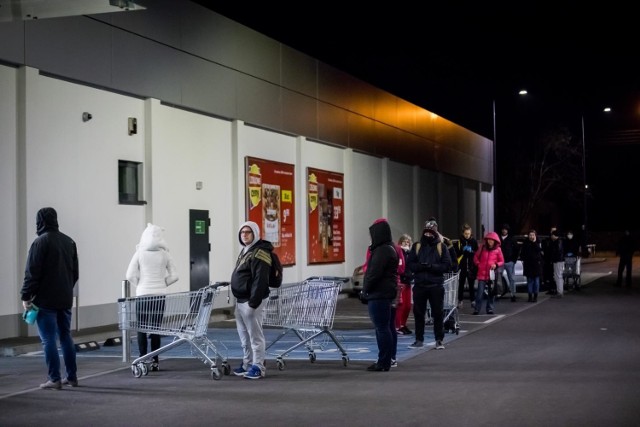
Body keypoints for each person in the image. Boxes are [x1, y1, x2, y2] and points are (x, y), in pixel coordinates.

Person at [21, 207, 79, 389]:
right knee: (65, 336)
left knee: (48, 340)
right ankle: (72, 377)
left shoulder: (40, 242)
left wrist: (26, 296)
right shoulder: (69, 241)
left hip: (45, 300)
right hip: (65, 298)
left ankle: (54, 379)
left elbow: (32, 272)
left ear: (40, 222)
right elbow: (75, 273)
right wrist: (65, 289)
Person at [126, 223, 179, 372]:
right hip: (159, 296)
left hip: (143, 295)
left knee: (141, 328)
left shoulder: (139, 253)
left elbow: (129, 275)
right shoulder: (165, 254)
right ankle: (155, 360)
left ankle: (142, 358)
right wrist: (162, 284)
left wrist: (140, 285)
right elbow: (175, 276)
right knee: (155, 329)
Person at [230, 221, 274, 379]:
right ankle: (247, 363)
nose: (245, 235)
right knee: (244, 337)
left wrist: (253, 302)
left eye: (248, 232)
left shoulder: (260, 253)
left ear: (255, 233)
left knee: (255, 336)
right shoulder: (245, 250)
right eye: (242, 232)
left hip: (251, 301)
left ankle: (258, 366)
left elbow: (260, 279)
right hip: (241, 300)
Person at [407, 219, 452, 350]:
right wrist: (421, 267)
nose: (428, 236)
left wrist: (431, 267)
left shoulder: (441, 247)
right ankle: (419, 339)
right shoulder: (417, 246)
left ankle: (439, 340)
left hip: (435, 286)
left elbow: (447, 265)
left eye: (431, 233)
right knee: (418, 313)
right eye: (426, 233)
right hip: (420, 285)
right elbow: (410, 264)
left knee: (437, 313)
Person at [361, 218, 399, 371]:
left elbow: (373, 274)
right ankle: (386, 360)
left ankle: (383, 361)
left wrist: (365, 290)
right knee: (386, 327)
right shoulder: (389, 249)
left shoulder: (382, 251)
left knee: (382, 328)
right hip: (386, 292)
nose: (371, 238)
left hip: (379, 294)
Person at [472, 231, 504, 315]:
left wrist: (496, 265)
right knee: (479, 293)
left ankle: (490, 308)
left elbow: (502, 261)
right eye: (489, 240)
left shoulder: (498, 249)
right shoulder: (482, 247)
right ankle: (477, 309)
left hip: (492, 275)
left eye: (492, 240)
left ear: (495, 241)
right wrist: (478, 264)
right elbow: (475, 257)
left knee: (491, 293)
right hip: (481, 274)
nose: (490, 241)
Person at [454, 224, 478, 308]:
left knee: (471, 285)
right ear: (463, 233)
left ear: (471, 233)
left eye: (468, 233)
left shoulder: (474, 241)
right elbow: (456, 254)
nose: (467, 235)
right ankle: (460, 301)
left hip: (471, 266)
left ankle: (473, 300)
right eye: (465, 233)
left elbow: (477, 253)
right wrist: (463, 251)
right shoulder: (459, 242)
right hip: (462, 266)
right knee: (461, 284)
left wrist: (471, 251)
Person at [396, 234, 414, 336]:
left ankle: (403, 324)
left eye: (407, 242)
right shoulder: (399, 252)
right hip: (401, 281)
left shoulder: (410, 253)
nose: (406, 243)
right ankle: (398, 326)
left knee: (407, 305)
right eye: (404, 241)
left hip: (408, 281)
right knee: (401, 305)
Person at [520, 229, 543, 302]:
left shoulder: (538, 242)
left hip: (536, 265)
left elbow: (539, 250)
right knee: (529, 281)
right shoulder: (526, 243)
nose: (531, 236)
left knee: (536, 281)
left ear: (535, 236)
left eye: (533, 235)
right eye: (530, 235)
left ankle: (535, 296)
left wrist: (534, 242)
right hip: (528, 264)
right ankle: (530, 296)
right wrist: (523, 260)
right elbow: (522, 253)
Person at [499, 223, 520, 302]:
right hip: (500, 262)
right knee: (498, 278)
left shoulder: (512, 239)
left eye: (505, 229)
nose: (504, 230)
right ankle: (498, 293)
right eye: (503, 229)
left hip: (509, 262)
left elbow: (517, 249)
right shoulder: (498, 238)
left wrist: (513, 260)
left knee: (511, 278)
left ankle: (513, 294)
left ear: (507, 230)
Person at [548, 229, 565, 297]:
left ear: (554, 235)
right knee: (558, 276)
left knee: (558, 276)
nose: (551, 236)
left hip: (558, 261)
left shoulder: (557, 242)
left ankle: (560, 292)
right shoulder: (559, 241)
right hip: (558, 260)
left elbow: (557, 252)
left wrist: (553, 258)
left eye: (552, 235)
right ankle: (560, 291)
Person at [541, 226, 558, 295]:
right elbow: (544, 248)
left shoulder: (557, 240)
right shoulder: (547, 240)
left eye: (555, 231)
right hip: (548, 260)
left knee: (556, 275)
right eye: (552, 231)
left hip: (555, 260)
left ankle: (556, 289)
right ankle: (551, 289)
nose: (553, 233)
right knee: (549, 276)